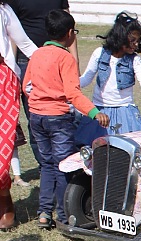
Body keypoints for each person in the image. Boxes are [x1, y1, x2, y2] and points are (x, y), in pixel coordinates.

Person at [23, 9, 110, 228]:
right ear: (70, 33)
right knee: (62, 165)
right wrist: (94, 112)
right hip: (58, 118)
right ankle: (63, 215)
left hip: (36, 117)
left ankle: (44, 213)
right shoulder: (66, 58)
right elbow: (73, 94)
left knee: (46, 164)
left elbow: (27, 86)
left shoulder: (36, 55)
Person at [7, 0, 78, 171]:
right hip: (28, 60)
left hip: (59, 57)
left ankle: (63, 162)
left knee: (66, 111)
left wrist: (75, 61)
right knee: (35, 116)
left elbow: (69, 23)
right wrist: (14, 72)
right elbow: (13, 34)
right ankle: (45, 164)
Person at [79, 11, 141, 134]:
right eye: (132, 40)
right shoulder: (99, 53)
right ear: (120, 36)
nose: (135, 44)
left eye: (137, 40)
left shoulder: (134, 60)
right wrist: (67, 86)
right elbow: (86, 79)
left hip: (125, 112)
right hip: (100, 111)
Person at [0, 2, 37, 230]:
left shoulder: (4, 10)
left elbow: (25, 44)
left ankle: (4, 199)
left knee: (2, 148)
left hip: (2, 80)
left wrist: (50, 59)